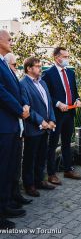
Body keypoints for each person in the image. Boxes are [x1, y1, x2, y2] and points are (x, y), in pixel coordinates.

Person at [0, 30, 29, 229]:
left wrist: (24, 106)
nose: (11, 41)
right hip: (4, 124)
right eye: (8, 38)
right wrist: (19, 109)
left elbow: (16, 90)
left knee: (9, 168)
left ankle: (7, 204)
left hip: (11, 124)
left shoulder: (4, 63)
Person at [43, 47, 81, 185]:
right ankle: (51, 174)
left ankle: (68, 169)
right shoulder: (48, 74)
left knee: (67, 142)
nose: (67, 59)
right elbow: (46, 95)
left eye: (68, 56)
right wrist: (58, 103)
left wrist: (77, 100)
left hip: (70, 113)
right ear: (56, 57)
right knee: (53, 144)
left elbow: (75, 92)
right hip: (56, 114)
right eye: (64, 56)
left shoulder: (70, 73)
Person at [21, 57, 57, 197]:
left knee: (42, 156)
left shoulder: (42, 82)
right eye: (37, 66)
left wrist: (52, 119)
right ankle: (29, 185)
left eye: (40, 66)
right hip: (33, 127)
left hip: (46, 126)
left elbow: (49, 102)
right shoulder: (23, 84)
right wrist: (41, 121)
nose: (40, 68)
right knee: (30, 157)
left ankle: (39, 180)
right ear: (29, 68)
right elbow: (27, 107)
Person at [4, 53, 33, 205]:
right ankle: (7, 200)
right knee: (6, 168)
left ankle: (14, 195)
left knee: (15, 165)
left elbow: (21, 95)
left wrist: (26, 105)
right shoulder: (5, 74)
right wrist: (20, 110)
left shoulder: (13, 76)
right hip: (9, 124)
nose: (16, 68)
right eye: (14, 65)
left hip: (18, 127)